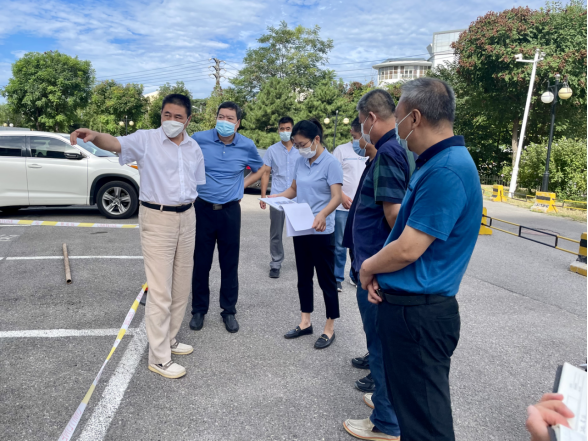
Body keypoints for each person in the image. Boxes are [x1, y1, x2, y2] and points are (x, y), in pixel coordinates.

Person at [360, 78, 483, 441]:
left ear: (414, 118)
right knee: (414, 416)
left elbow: (409, 248)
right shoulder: (435, 163)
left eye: (398, 117)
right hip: (411, 309)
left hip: (419, 316)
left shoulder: (446, 169)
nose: (397, 128)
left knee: (427, 426)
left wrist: (368, 267)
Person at [69, 94, 206, 380]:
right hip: (157, 217)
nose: (171, 120)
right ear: (161, 115)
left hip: (188, 216)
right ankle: (159, 358)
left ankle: (170, 339)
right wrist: (94, 136)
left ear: (188, 119)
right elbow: (116, 143)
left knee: (182, 285)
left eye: (178, 116)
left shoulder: (193, 147)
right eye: (167, 114)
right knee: (160, 290)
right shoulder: (146, 139)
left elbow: (196, 183)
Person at [343, 90, 411, 441]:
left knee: (381, 348)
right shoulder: (387, 152)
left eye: (361, 123)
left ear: (370, 118)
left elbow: (394, 217)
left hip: (377, 272)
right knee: (381, 345)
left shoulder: (387, 154)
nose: (361, 133)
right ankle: (387, 402)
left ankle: (386, 422)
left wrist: (374, 268)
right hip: (373, 266)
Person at [190, 102, 265, 334]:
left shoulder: (246, 145)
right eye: (221, 116)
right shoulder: (199, 139)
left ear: (238, 123)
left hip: (230, 211)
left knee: (229, 263)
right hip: (202, 208)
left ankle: (229, 310)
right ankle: (199, 310)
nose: (224, 121)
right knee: (201, 263)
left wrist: (241, 186)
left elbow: (261, 169)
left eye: (230, 118)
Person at [270, 119, 343, 349]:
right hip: (301, 227)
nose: (300, 148)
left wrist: (323, 214)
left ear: (316, 140)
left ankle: (329, 327)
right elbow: (294, 189)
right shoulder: (301, 161)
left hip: (322, 230)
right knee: (303, 277)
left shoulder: (331, 163)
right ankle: (305, 322)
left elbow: (337, 197)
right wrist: (275, 197)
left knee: (326, 280)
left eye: (302, 144)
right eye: (297, 144)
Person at [259, 116, 300, 279]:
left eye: (288, 128)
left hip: (297, 197)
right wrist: (263, 196)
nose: (285, 131)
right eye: (282, 129)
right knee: (276, 232)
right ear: (278, 130)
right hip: (276, 197)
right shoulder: (272, 150)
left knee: (300, 232)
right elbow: (265, 173)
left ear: (293, 130)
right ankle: (276, 263)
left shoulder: (300, 149)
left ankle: (303, 261)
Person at [332, 119, 368, 292]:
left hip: (362, 208)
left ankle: (356, 275)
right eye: (355, 136)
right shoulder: (341, 150)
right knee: (339, 245)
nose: (358, 140)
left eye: (361, 136)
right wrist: (341, 196)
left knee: (358, 244)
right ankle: (337, 277)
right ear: (351, 132)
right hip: (343, 207)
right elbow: (331, 178)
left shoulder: (370, 150)